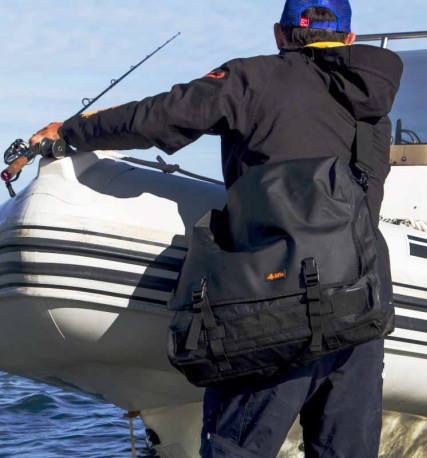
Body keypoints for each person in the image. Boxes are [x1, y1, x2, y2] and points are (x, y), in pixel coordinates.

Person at [30, 1, 403, 456]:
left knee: (236, 446)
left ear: (280, 35)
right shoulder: (374, 104)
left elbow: (159, 114)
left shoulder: (251, 78)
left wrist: (71, 131)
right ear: (348, 39)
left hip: (278, 296)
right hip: (362, 304)